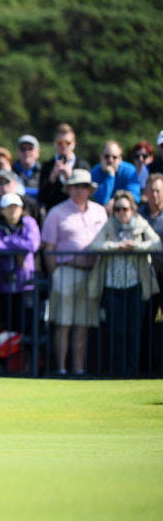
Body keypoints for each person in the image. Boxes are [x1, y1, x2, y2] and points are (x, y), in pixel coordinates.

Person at [42, 169, 108, 376]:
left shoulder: (100, 212)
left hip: (92, 274)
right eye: (76, 186)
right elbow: (49, 249)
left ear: (90, 189)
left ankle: (78, 370)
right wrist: (55, 275)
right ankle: (61, 369)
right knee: (63, 324)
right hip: (66, 272)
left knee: (83, 324)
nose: (80, 190)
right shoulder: (57, 212)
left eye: (84, 186)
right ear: (69, 188)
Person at [89, 190, 161, 376]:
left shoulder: (140, 224)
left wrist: (136, 247)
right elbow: (95, 245)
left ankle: (133, 371)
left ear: (132, 209)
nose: (121, 212)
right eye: (117, 209)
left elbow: (157, 244)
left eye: (125, 209)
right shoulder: (109, 226)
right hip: (113, 286)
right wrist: (116, 246)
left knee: (134, 331)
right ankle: (118, 371)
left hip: (136, 285)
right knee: (116, 332)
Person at [0, 193, 41, 333]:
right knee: (9, 327)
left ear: (22, 209)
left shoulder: (29, 222)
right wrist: (18, 247)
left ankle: (26, 354)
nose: (12, 211)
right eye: (8, 207)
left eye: (15, 207)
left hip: (26, 283)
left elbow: (33, 245)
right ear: (2, 210)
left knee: (27, 326)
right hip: (5, 284)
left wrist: (9, 241)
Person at [138, 173, 163, 374]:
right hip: (146, 278)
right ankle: (147, 368)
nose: (154, 195)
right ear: (145, 193)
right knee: (145, 326)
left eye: (158, 190)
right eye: (151, 191)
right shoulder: (140, 215)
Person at [39, 123, 90, 211]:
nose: (63, 145)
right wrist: (52, 177)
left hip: (76, 212)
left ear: (74, 144)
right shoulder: (47, 165)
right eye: (60, 142)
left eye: (67, 142)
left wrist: (72, 178)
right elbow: (42, 197)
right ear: (55, 143)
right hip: (53, 213)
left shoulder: (83, 165)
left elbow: (87, 194)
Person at [91, 140, 141, 209]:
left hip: (124, 210)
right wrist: (110, 176)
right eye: (107, 156)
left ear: (120, 158)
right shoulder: (94, 172)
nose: (110, 160)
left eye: (114, 157)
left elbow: (135, 196)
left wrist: (116, 202)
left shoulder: (130, 171)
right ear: (101, 157)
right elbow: (101, 200)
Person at [14, 135, 43, 199]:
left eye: (30, 148)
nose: (26, 152)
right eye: (23, 149)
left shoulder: (45, 171)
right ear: (17, 152)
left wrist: (22, 191)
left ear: (38, 152)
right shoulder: (11, 171)